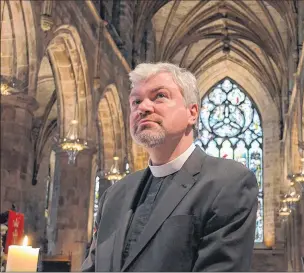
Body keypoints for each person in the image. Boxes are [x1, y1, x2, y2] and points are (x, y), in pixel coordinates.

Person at [82, 63, 259, 272]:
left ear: (192, 113)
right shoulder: (113, 195)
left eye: (159, 96)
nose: (143, 108)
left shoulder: (228, 183)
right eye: (135, 101)